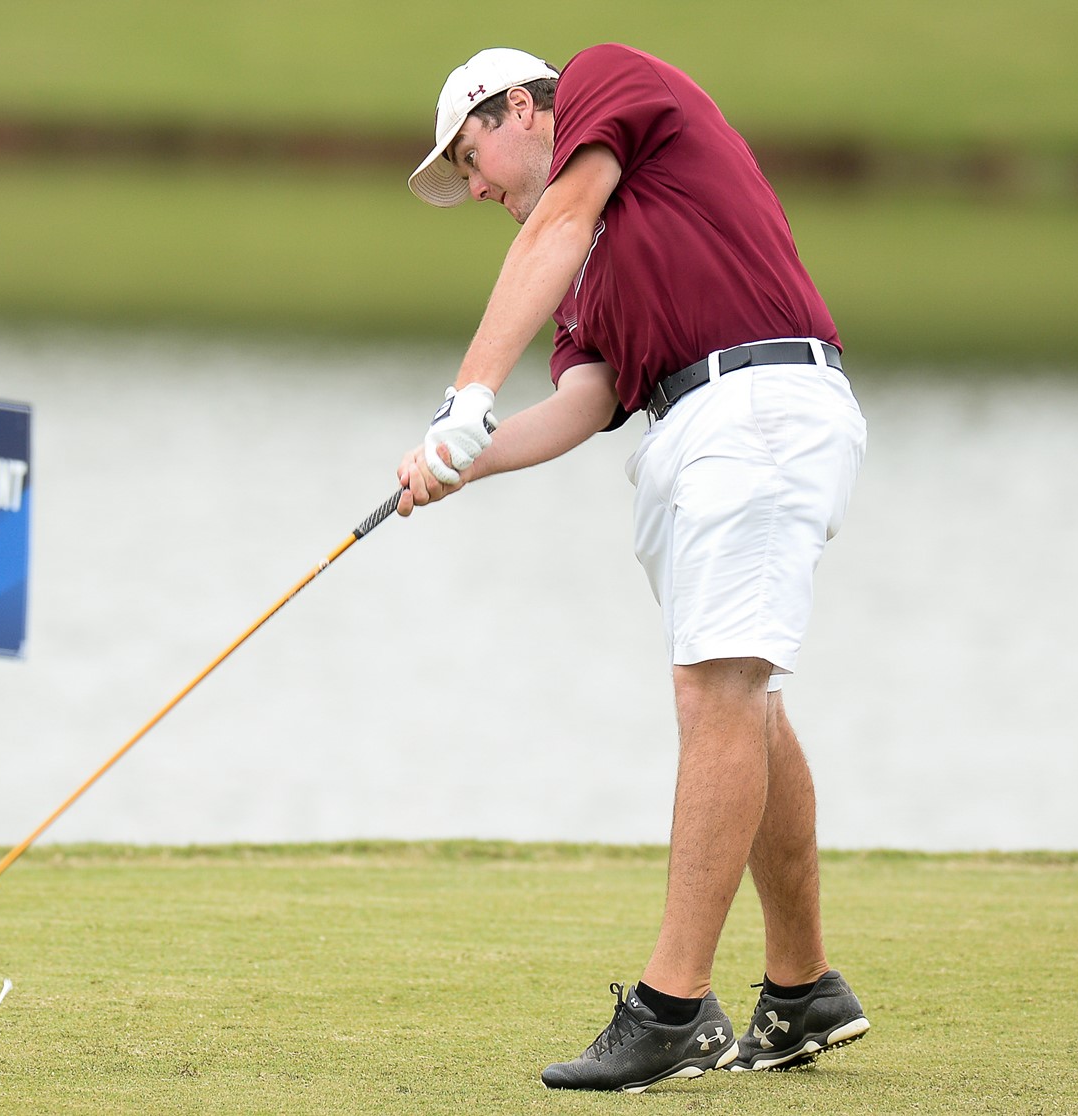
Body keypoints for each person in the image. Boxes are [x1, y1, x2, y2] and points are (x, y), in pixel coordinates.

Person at [394, 44, 871, 1092]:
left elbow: (557, 222)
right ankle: (801, 992)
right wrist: (461, 465)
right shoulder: (598, 265)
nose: (476, 188)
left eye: (472, 160)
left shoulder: (606, 81)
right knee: (744, 699)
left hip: (753, 408)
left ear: (521, 108)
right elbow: (584, 402)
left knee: (715, 692)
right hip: (692, 433)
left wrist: (463, 399)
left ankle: (671, 1011)